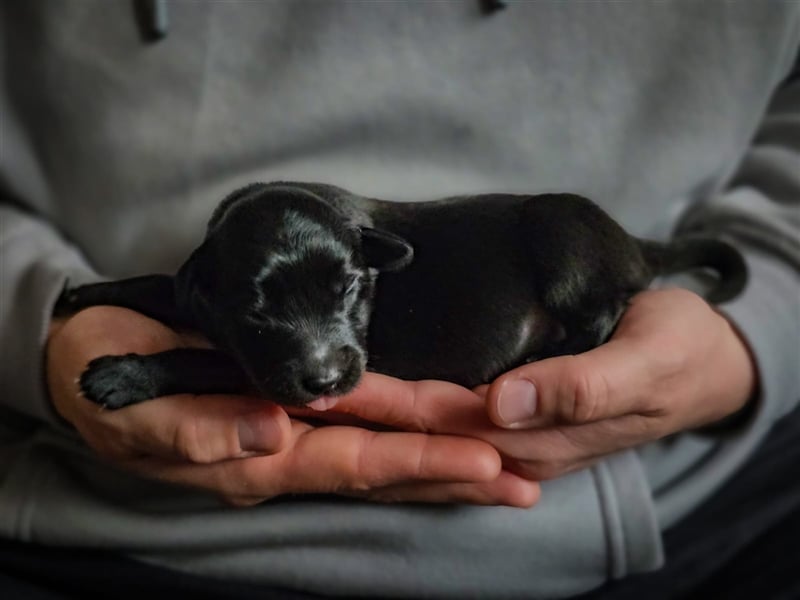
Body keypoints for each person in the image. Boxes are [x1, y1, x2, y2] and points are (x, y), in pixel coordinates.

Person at [1, 1, 798, 598]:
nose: (318, 358)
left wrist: (751, 334)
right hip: (116, 529)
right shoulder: (214, 281)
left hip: (689, 504)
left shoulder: (435, 244)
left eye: (340, 299)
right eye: (264, 315)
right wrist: (48, 321)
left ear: (370, 266)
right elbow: (183, 309)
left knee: (562, 237)